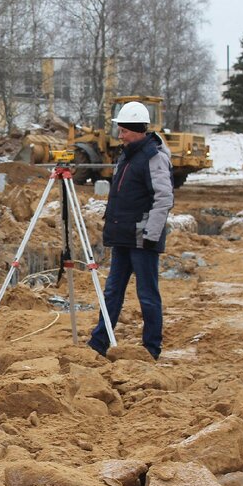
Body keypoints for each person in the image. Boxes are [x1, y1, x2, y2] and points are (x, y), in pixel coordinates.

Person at [88, 100, 174, 361]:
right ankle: (98, 343)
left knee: (147, 295)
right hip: (123, 236)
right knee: (112, 291)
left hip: (142, 238)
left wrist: (151, 234)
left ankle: (151, 349)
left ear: (136, 130)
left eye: (124, 130)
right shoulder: (128, 155)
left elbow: (164, 198)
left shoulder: (154, 157)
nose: (120, 135)